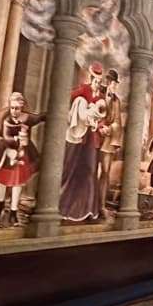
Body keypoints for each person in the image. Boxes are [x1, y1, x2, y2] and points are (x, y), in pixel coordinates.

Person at [0, 92, 45, 226]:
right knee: (3, 180)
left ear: (22, 107)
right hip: (7, 151)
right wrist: (17, 139)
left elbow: (39, 118)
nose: (14, 111)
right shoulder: (7, 121)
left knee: (18, 182)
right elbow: (6, 137)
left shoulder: (27, 118)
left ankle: (13, 211)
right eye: (12, 108)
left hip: (23, 153)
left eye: (17, 108)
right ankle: (0, 205)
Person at [60, 88, 107, 223]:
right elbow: (84, 115)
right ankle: (69, 209)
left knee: (90, 174)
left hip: (90, 143)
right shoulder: (83, 94)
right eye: (95, 80)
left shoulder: (99, 98)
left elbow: (102, 117)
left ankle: (90, 211)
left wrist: (100, 126)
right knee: (73, 173)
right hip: (82, 141)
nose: (97, 84)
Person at [97, 69, 123, 215]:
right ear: (108, 82)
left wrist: (110, 129)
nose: (114, 86)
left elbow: (118, 122)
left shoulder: (116, 101)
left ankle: (101, 206)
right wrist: (100, 126)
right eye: (113, 83)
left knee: (105, 172)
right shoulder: (98, 94)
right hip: (93, 137)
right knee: (89, 171)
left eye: (115, 83)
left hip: (107, 140)